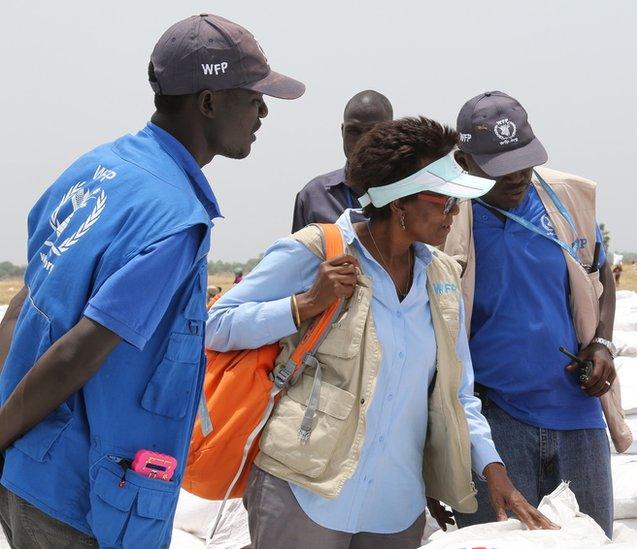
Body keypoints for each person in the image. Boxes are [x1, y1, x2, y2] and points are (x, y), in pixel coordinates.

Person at [0, 14, 303, 548]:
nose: (263, 110)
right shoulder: (174, 218)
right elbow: (81, 349)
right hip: (79, 503)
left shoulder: (97, 168)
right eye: (251, 95)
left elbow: (29, 299)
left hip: (26, 469)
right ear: (208, 102)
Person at [207, 117, 554, 549]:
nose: (455, 213)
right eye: (444, 202)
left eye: (457, 202)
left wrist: (493, 470)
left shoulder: (442, 277)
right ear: (399, 203)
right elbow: (215, 326)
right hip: (304, 490)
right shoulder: (317, 250)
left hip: (395, 508)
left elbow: (458, 393)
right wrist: (304, 305)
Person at [444, 91, 619, 537]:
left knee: (590, 540)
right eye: (500, 168)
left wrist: (601, 342)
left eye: (524, 160)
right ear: (464, 162)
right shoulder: (446, 222)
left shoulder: (565, 201)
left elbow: (600, 275)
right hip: (495, 421)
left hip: (577, 415)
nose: (518, 175)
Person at [292, 90, 394, 230]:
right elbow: (298, 251)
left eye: (372, 131)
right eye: (354, 131)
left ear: (391, 133)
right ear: (342, 131)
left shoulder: (410, 195)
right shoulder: (314, 196)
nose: (362, 142)